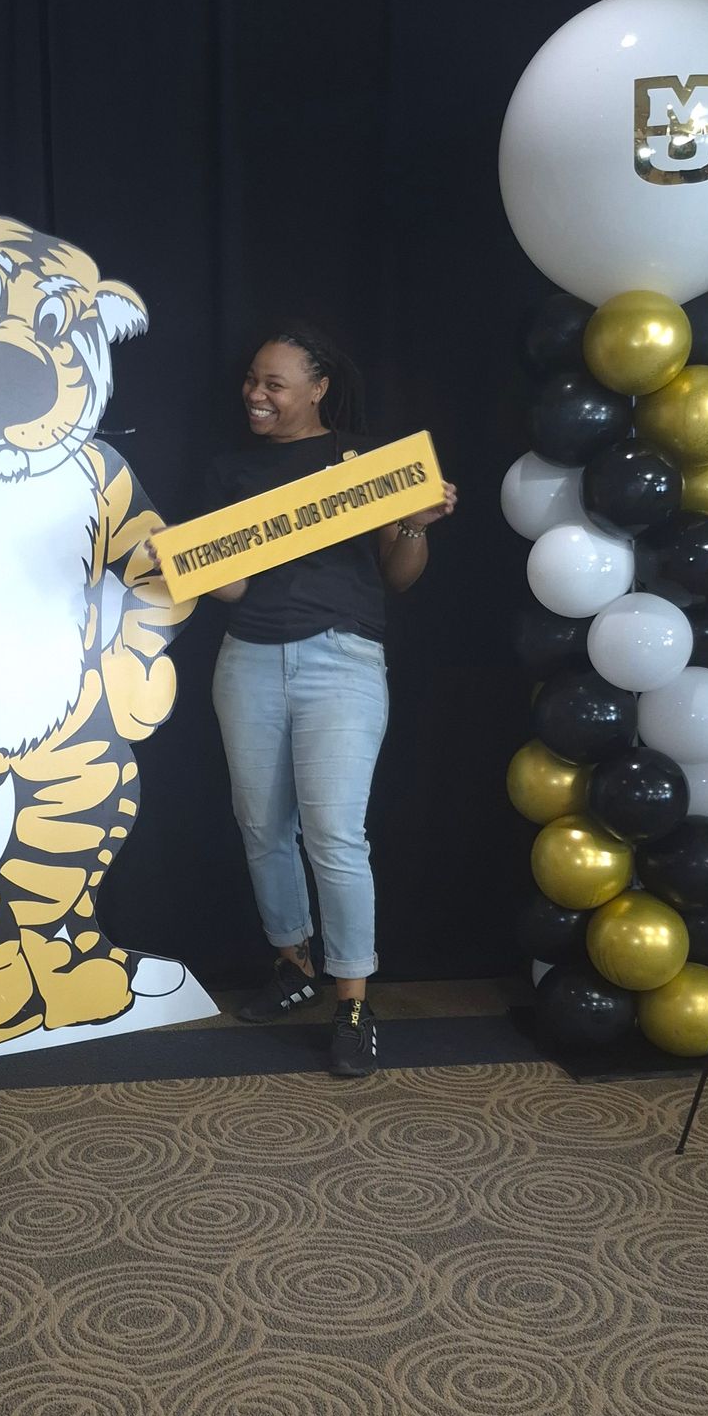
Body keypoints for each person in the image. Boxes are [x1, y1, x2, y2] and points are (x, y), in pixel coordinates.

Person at [192, 325, 457, 1077]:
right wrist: (197, 569)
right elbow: (233, 587)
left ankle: (352, 1002)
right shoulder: (228, 470)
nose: (256, 395)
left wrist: (414, 522)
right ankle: (294, 963)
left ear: (318, 389)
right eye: (252, 380)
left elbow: (400, 576)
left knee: (335, 834)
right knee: (261, 827)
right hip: (247, 658)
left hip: (341, 660)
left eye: (274, 384)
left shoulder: (369, 463)